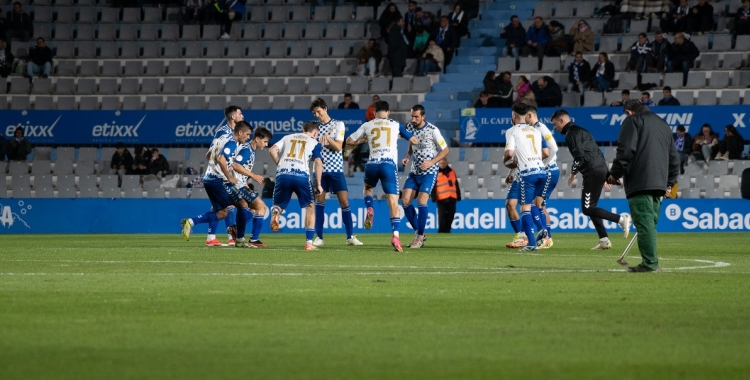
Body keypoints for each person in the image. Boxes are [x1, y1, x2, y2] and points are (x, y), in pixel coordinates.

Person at [607, 99, 680, 273]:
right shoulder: (663, 124)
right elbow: (674, 159)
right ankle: (650, 261)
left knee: (644, 224)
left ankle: (650, 264)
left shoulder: (632, 121)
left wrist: (614, 174)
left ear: (629, 111)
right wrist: (669, 183)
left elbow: (625, 150)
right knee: (649, 224)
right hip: (660, 184)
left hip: (640, 181)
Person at [550, 109, 632, 250]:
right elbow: (597, 152)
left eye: (555, 124)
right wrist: (606, 174)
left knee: (588, 209)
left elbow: (580, 156)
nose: (554, 127)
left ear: (562, 121)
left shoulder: (571, 134)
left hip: (592, 171)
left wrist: (573, 172)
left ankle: (621, 219)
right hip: (598, 168)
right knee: (591, 207)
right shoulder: (582, 131)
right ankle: (604, 240)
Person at [345, 100, 418, 252]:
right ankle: (396, 236)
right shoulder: (395, 124)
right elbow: (413, 140)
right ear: (388, 112)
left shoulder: (368, 125)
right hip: (388, 165)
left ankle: (370, 208)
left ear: (374, 112)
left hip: (372, 164)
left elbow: (349, 141)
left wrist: (363, 140)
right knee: (393, 201)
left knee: (368, 188)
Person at [181, 121, 254, 247]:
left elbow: (208, 154)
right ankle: (240, 240)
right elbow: (221, 159)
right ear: (240, 132)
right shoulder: (231, 142)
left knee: (221, 213)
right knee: (242, 204)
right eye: (247, 135)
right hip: (218, 180)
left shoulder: (222, 138)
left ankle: (190, 222)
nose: (248, 138)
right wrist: (229, 176)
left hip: (209, 178)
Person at [310, 98, 363, 247]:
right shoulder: (315, 128)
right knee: (319, 202)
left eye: (318, 112)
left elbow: (339, 147)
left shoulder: (338, 124)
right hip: (320, 171)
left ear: (325, 108)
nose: (317, 115)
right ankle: (319, 237)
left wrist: (328, 140)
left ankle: (350, 236)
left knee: (344, 202)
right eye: (314, 113)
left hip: (335, 170)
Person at [268, 121, 325, 250]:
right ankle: (309, 243)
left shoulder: (287, 137)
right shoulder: (315, 142)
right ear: (315, 133)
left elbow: (272, 150)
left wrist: (280, 165)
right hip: (301, 176)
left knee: (278, 205)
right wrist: (319, 184)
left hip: (283, 174)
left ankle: (276, 213)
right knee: (310, 206)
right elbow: (318, 162)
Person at [400, 104, 450, 248]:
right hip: (415, 171)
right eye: (412, 116)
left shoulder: (433, 130)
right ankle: (419, 232)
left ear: (423, 116)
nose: (413, 119)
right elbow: (411, 142)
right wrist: (407, 156)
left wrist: (432, 162)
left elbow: (446, 150)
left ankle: (419, 238)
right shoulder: (410, 127)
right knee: (405, 201)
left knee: (422, 201)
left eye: (416, 117)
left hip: (429, 172)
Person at [503, 102, 550, 252]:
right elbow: (546, 153)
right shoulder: (536, 131)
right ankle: (542, 229)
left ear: (514, 115)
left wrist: (506, 162)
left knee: (525, 208)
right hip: (541, 172)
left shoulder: (512, 131)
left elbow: (509, 154)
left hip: (527, 174)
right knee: (534, 204)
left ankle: (531, 243)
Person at [230, 125, 273, 248]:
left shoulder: (251, 150)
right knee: (261, 207)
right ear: (257, 139)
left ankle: (237, 229)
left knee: (255, 210)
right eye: (265, 141)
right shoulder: (246, 150)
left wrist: (245, 182)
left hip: (241, 184)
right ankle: (253, 239)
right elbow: (236, 165)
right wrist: (253, 176)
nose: (266, 145)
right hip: (237, 186)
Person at [526, 104, 559, 249]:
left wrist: (543, 162)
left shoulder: (540, 128)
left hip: (549, 170)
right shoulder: (535, 129)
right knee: (541, 205)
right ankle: (548, 238)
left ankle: (545, 235)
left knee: (535, 202)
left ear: (530, 115)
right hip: (548, 171)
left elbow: (554, 148)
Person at [431, 158, 461, 233]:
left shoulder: (452, 171)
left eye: (443, 163)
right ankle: (441, 231)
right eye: (440, 163)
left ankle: (447, 230)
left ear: (447, 163)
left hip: (452, 197)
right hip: (441, 198)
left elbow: (456, 184)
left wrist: (458, 195)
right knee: (441, 216)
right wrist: (433, 196)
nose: (442, 165)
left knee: (451, 216)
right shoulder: (435, 172)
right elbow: (433, 186)